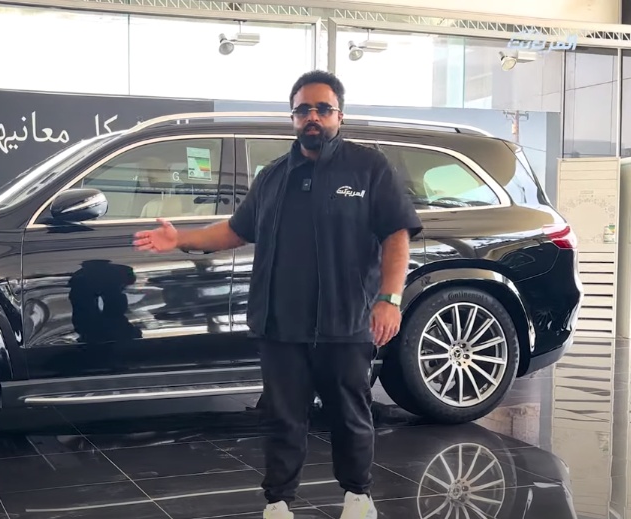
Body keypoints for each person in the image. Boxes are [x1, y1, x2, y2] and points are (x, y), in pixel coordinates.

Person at [132, 70, 422, 519]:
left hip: (345, 320)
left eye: (323, 109)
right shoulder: (272, 177)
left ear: (339, 116)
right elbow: (235, 230)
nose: (312, 117)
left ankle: (358, 498)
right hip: (280, 324)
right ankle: (279, 503)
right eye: (303, 109)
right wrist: (181, 239)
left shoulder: (368, 167)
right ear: (293, 118)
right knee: (282, 418)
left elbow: (396, 234)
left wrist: (390, 299)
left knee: (350, 414)